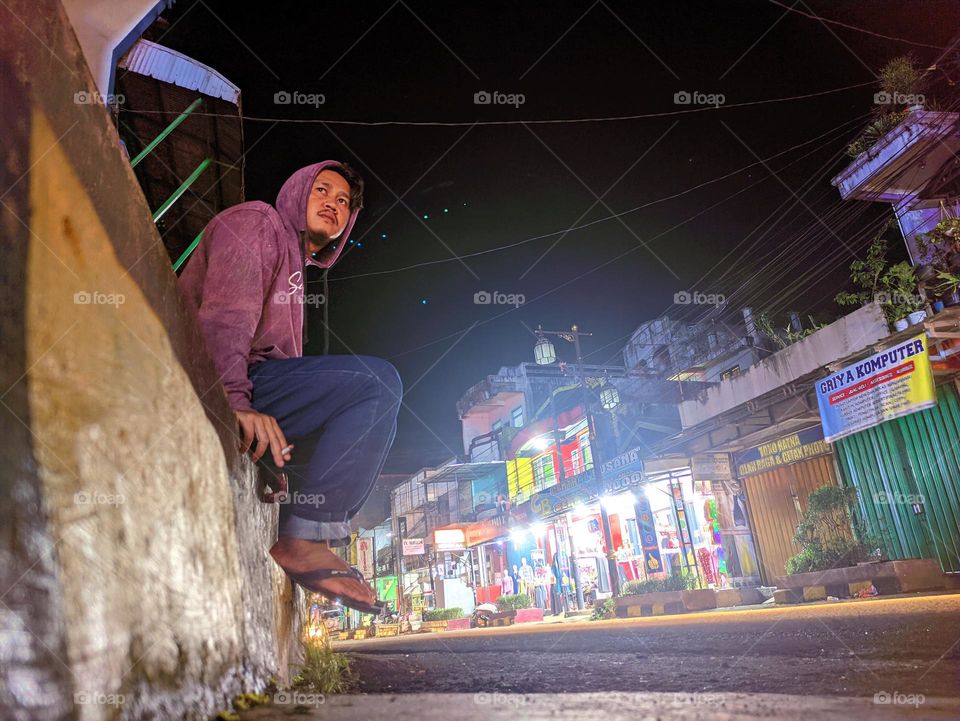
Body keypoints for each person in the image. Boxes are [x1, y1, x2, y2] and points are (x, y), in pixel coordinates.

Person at [179, 161, 401, 614]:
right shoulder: (258, 221)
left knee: (374, 417)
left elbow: (289, 372)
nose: (333, 203)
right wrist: (234, 401)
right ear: (297, 193)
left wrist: (273, 462)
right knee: (377, 384)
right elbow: (224, 318)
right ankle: (306, 537)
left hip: (255, 382)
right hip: (211, 373)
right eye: (322, 190)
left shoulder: (296, 271)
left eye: (343, 201)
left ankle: (309, 530)